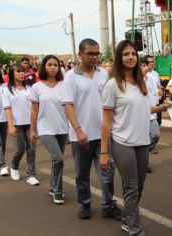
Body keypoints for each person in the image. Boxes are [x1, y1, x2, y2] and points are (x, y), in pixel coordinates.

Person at [100, 39, 172, 235]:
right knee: (130, 187)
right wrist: (104, 151)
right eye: (125, 54)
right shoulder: (112, 85)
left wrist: (161, 107)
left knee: (139, 186)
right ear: (118, 58)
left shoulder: (141, 84)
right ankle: (135, 229)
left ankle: (126, 219)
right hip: (122, 142)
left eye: (133, 53)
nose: (130, 57)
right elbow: (106, 121)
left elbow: (141, 108)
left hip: (142, 141)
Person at [61, 38, 121, 220]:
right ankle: (85, 203)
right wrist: (78, 130)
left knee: (107, 172)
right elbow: (68, 104)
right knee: (82, 173)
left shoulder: (104, 74)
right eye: (91, 53)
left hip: (103, 134)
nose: (95, 57)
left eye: (97, 53)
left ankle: (108, 205)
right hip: (81, 135)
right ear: (80, 55)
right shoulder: (71, 76)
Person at [29, 55, 68, 204]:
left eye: (56, 65)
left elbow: (70, 107)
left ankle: (52, 185)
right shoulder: (36, 87)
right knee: (59, 159)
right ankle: (58, 190)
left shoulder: (64, 86)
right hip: (45, 128)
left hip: (62, 128)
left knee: (56, 160)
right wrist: (33, 129)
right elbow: (34, 110)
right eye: (50, 64)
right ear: (44, 66)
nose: (53, 67)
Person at [2, 64, 40, 186]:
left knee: (31, 150)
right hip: (16, 125)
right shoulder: (7, 90)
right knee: (19, 149)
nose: (22, 73)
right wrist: (10, 125)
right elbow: (7, 109)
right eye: (18, 71)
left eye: (23, 71)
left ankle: (31, 175)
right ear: (12, 74)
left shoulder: (30, 88)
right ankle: (14, 166)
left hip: (30, 124)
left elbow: (35, 107)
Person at [140, 57, 160, 173]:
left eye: (145, 65)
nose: (143, 68)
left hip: (152, 113)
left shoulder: (152, 79)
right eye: (141, 65)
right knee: (142, 139)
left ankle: (143, 153)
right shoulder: (134, 80)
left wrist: (159, 93)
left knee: (155, 135)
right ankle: (143, 163)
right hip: (139, 115)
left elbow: (154, 93)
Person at [146, 55, 163, 127]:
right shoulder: (143, 74)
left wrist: (160, 90)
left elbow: (159, 86)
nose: (151, 63)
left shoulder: (156, 73)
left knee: (158, 122)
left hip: (156, 102)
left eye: (152, 61)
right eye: (149, 62)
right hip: (148, 103)